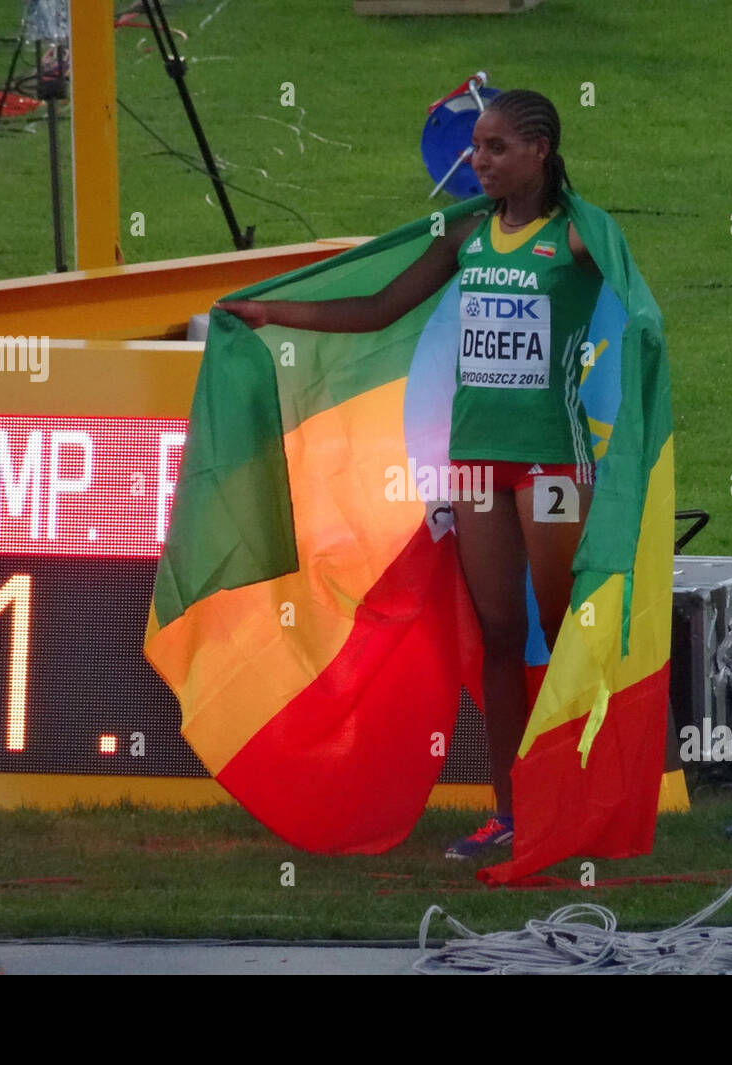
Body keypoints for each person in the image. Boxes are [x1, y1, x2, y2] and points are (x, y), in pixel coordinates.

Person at [217, 90, 624, 861]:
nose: (479, 159)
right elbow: (378, 307)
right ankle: (510, 811)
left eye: (497, 147)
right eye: (476, 146)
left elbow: (633, 302)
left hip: (552, 463)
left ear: (539, 151)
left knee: (573, 629)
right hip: (477, 465)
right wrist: (277, 315)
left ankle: (583, 797)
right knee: (501, 637)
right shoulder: (466, 234)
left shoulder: (574, 238)